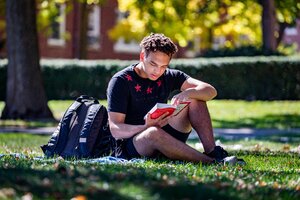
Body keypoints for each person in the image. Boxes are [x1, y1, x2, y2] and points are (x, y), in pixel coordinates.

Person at [107, 33, 241, 164]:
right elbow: (115, 129)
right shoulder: (121, 81)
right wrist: (145, 126)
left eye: (163, 66)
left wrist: (187, 94)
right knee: (153, 132)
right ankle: (212, 162)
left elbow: (210, 91)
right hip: (133, 143)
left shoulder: (169, 75)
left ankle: (213, 152)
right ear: (142, 56)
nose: (158, 71)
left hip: (164, 132)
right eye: (153, 64)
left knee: (195, 98)